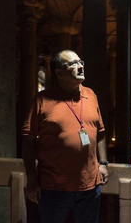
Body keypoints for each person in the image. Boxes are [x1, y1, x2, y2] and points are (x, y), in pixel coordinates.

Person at [22, 50, 109, 223]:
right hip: (54, 187)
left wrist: (104, 163)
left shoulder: (90, 95)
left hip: (89, 186)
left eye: (81, 62)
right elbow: (28, 140)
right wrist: (31, 179)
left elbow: (100, 132)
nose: (80, 66)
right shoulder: (42, 100)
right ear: (59, 72)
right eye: (73, 64)